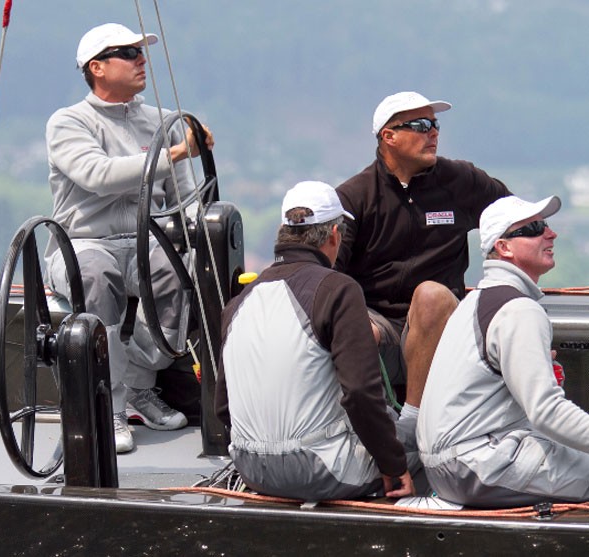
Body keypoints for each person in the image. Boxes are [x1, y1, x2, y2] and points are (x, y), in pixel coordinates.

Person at [44, 23, 214, 453]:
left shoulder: (161, 121)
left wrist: (203, 235)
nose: (142, 60)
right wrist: (173, 152)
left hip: (146, 238)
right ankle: (111, 405)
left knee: (181, 275)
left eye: (141, 52)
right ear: (96, 68)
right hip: (83, 243)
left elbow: (182, 195)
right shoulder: (68, 123)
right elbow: (98, 176)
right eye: (128, 52)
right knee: (95, 278)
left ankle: (138, 385)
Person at [214, 181, 426, 501]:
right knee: (428, 443)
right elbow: (360, 394)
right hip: (319, 469)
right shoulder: (337, 289)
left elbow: (223, 405)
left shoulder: (239, 302)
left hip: (250, 468)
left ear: (283, 233)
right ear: (334, 236)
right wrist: (393, 466)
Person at [335, 91, 511, 404]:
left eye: (435, 124)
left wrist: (502, 290)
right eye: (420, 124)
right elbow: (330, 276)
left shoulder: (461, 180)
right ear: (389, 136)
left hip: (443, 325)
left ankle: (416, 422)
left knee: (430, 296)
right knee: (355, 328)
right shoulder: (354, 197)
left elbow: (515, 222)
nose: (433, 132)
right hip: (381, 324)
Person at [417, 194, 589, 507]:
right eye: (535, 228)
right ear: (504, 247)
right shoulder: (519, 309)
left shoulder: (475, 302)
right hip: (476, 466)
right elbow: (547, 411)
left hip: (446, 467)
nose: (551, 234)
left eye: (546, 225)